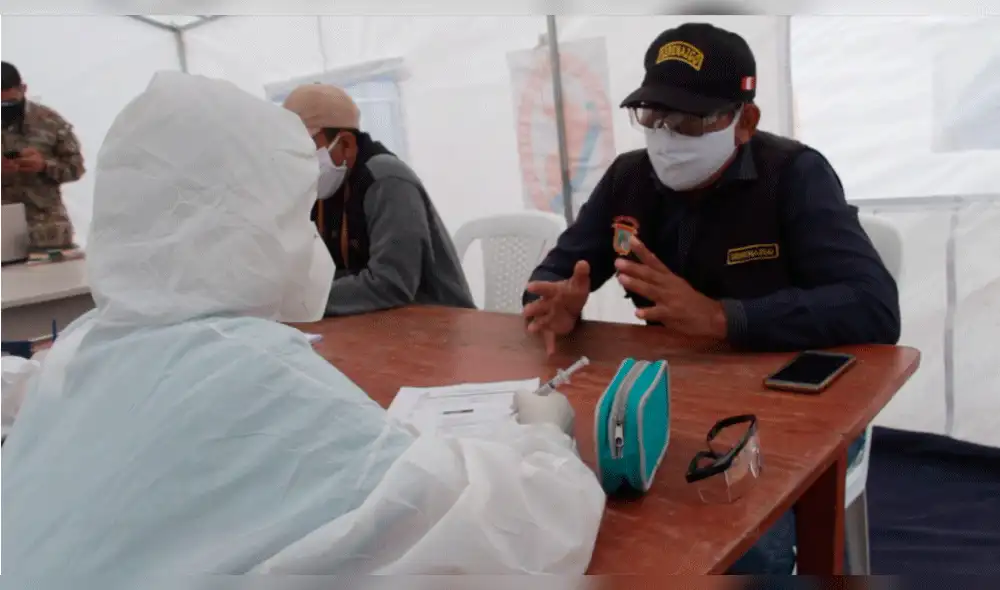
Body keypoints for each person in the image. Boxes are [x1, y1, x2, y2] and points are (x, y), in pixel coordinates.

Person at [1, 72, 604, 584]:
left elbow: (391, 283)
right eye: (287, 210)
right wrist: (545, 443)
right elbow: (510, 532)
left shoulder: (79, 353)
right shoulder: (249, 376)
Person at [522, 23, 901, 574]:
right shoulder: (630, 177)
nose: (667, 137)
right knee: (581, 514)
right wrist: (557, 301)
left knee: (734, 547)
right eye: (653, 116)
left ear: (744, 120)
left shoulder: (795, 176)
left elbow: (874, 307)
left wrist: (725, 318)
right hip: (674, 397)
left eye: (692, 120)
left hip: (797, 411)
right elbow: (560, 273)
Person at [281, 84, 476, 316]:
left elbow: (392, 283)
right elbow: (320, 269)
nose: (299, 161)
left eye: (306, 149)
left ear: (346, 144)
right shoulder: (322, 187)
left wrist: (302, 300)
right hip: (374, 324)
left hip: (437, 323)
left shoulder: (387, 180)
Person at [1, 61, 85, 251]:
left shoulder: (49, 122)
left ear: (23, 89)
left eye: (9, 103)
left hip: (47, 233)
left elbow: (76, 167)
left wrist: (45, 166)